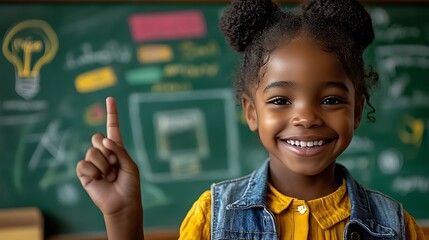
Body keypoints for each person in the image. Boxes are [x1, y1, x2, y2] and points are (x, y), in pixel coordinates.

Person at [76, 0, 426, 239]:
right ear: (251, 112)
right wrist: (122, 216)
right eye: (280, 100)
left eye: (331, 99)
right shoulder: (213, 217)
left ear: (357, 110)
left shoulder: (393, 226)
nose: (305, 116)